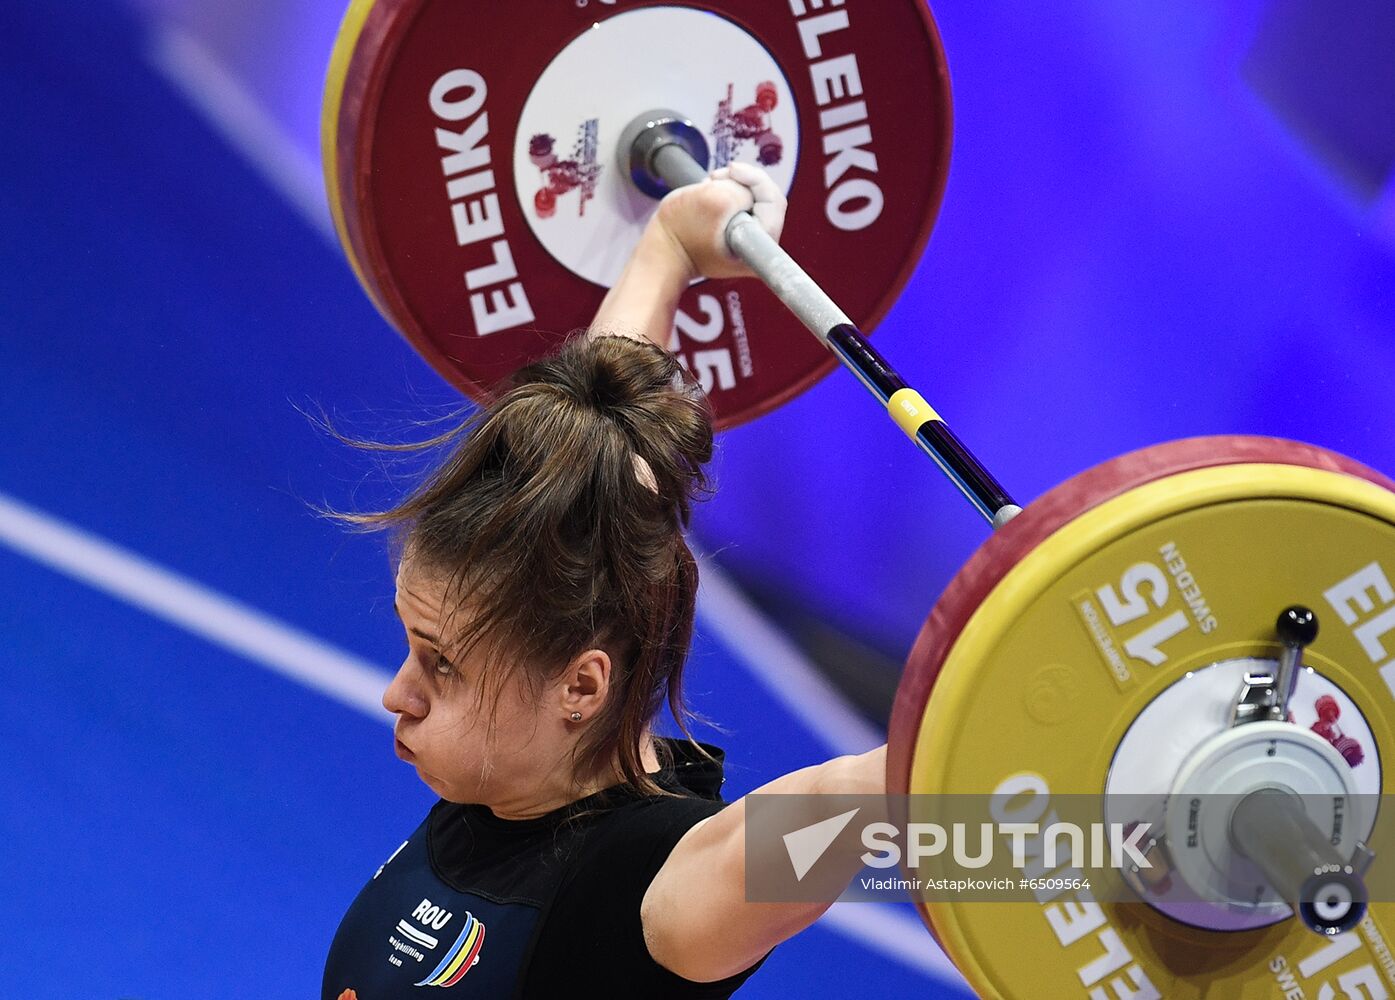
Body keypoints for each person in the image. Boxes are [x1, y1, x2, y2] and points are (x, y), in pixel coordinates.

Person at [321, 162, 887, 999]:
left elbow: (871, 803)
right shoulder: (503, 783)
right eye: (413, 648)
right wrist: (669, 247)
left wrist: (1071, 797)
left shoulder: (652, 893)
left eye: (443, 664)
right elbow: (603, 455)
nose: (397, 695)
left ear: (579, 687)